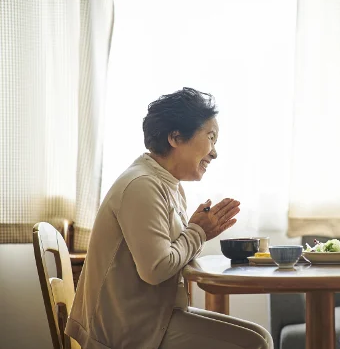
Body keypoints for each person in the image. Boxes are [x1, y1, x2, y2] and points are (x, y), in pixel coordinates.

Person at [66, 88, 273, 349]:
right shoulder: (142, 185)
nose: (214, 153)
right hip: (126, 332)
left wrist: (198, 231)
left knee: (260, 338)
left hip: (152, 319)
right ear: (175, 137)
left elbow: (170, 253)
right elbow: (156, 269)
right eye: (211, 137)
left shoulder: (167, 184)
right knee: (254, 344)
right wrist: (197, 231)